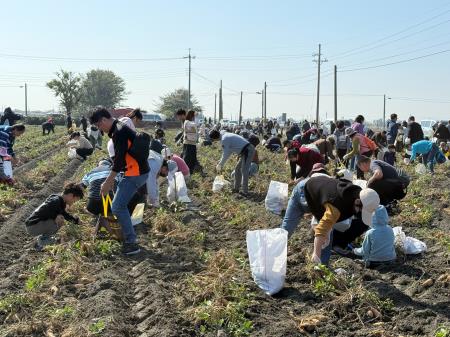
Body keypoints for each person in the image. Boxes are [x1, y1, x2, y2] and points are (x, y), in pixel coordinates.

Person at [89, 107, 150, 255]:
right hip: (133, 171)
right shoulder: (118, 128)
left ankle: (131, 243)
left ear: (103, 120)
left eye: (98, 125)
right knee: (120, 203)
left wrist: (108, 182)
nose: (99, 128)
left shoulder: (119, 132)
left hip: (135, 173)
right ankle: (124, 232)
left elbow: (119, 161)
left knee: (117, 206)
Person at [25, 182, 82, 250]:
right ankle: (41, 242)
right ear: (71, 195)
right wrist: (55, 216)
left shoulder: (59, 201)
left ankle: (43, 239)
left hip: (34, 225)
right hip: (33, 226)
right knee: (59, 219)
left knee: (60, 217)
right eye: (74, 201)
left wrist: (76, 221)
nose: (73, 203)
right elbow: (46, 210)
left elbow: (65, 214)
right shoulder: (56, 201)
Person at [209, 129, 255, 197]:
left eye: (213, 139)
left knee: (244, 170)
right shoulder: (224, 135)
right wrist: (220, 161)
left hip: (247, 150)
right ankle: (236, 188)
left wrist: (220, 164)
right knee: (237, 169)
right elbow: (228, 151)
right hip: (245, 151)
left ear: (215, 138)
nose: (214, 141)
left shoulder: (224, 139)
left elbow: (226, 154)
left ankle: (245, 192)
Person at [176, 109, 199, 174]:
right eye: (194, 116)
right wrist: (180, 140)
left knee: (190, 158)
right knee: (187, 158)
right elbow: (194, 125)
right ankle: (184, 171)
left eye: (179, 116)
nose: (178, 118)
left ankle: (188, 170)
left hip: (191, 143)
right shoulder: (187, 122)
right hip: (189, 143)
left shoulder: (187, 121)